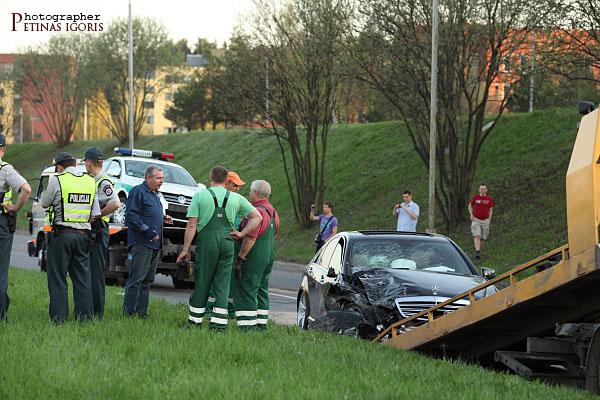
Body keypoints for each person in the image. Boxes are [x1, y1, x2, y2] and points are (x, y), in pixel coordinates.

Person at [176, 166, 262, 331]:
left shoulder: (200, 196)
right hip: (228, 241)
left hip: (207, 242)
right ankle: (219, 325)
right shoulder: (236, 198)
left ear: (210, 178)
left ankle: (194, 323)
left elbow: (192, 224)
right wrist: (242, 233)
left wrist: (186, 248)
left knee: (203, 281)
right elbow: (257, 217)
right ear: (226, 181)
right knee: (223, 284)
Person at [40, 152, 100, 323]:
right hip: (84, 236)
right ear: (74, 164)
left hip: (62, 235)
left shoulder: (57, 179)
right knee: (82, 278)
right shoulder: (90, 181)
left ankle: (59, 319)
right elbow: (95, 213)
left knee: (58, 277)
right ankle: (85, 318)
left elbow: (44, 202)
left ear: (59, 166)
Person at [122, 165, 173, 317]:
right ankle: (129, 313)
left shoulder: (156, 194)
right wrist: (147, 230)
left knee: (148, 280)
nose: (161, 181)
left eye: (162, 178)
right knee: (136, 278)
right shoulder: (138, 192)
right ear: (148, 178)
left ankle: (142, 313)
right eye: (158, 178)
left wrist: (163, 218)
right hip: (142, 243)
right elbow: (131, 216)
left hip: (155, 245)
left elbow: (148, 213)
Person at [231, 180, 279, 331]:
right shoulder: (273, 211)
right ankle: (261, 325)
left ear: (256, 193)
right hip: (268, 256)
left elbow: (250, 238)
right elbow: (274, 234)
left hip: (253, 257)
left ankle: (248, 328)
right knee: (261, 290)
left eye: (251, 190)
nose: (249, 193)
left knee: (247, 289)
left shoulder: (256, 213)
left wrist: (240, 258)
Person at [83, 147, 120, 318]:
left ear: (89, 163)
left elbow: (115, 203)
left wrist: (97, 216)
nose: (84, 165)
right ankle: (89, 308)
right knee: (89, 271)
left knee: (96, 272)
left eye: (85, 162)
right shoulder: (93, 179)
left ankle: (97, 312)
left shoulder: (103, 181)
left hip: (99, 230)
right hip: (93, 231)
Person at [0, 133, 32, 322]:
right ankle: (1, 315)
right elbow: (26, 189)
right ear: (3, 149)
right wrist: (15, 207)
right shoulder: (5, 169)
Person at [206, 171, 246, 318]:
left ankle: (228, 309)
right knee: (214, 275)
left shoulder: (238, 199)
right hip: (217, 241)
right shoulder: (212, 198)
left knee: (228, 277)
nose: (238, 188)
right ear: (226, 183)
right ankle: (211, 308)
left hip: (232, 243)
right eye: (235, 185)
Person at [469, 184, 494, 259]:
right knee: (477, 235)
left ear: (486, 190)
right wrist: (471, 214)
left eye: (484, 189)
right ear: (479, 190)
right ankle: (477, 251)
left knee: (483, 238)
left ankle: (478, 251)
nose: (482, 190)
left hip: (485, 220)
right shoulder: (475, 198)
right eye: (481, 189)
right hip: (476, 220)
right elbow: (470, 205)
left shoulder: (488, 198)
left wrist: (489, 218)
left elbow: (490, 208)